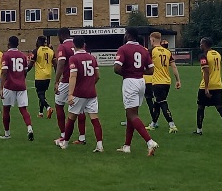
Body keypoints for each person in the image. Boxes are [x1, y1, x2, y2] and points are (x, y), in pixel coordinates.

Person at [114, 27, 159, 155]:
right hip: (141, 82)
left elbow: (116, 68)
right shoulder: (143, 50)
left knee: (132, 114)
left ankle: (150, 142)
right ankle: (127, 146)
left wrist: (128, 72)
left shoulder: (123, 49)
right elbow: (151, 70)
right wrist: (138, 71)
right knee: (131, 115)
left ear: (128, 35)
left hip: (130, 82)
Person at [55, 36, 103, 152]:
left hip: (79, 93)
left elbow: (73, 76)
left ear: (74, 46)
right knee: (95, 119)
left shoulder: (74, 58)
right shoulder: (92, 58)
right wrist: (91, 84)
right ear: (84, 45)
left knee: (71, 118)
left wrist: (70, 94)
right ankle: (100, 145)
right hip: (91, 93)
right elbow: (98, 76)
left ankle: (65, 143)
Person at [53, 28, 87, 144]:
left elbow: (61, 64)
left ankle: (63, 135)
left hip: (67, 80)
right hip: (80, 81)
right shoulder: (77, 44)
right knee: (81, 109)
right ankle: (82, 137)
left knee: (59, 105)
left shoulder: (63, 47)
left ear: (61, 36)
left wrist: (56, 81)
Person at [194, 37, 222, 137]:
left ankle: (199, 130)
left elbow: (206, 72)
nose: (200, 45)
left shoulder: (203, 56)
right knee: (220, 107)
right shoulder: (217, 54)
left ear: (204, 45)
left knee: (200, 107)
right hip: (218, 85)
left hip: (206, 86)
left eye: (201, 44)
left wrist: (206, 87)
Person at [0, 35, 34, 140]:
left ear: (8, 44)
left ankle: (7, 133)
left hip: (9, 85)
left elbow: (4, 72)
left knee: (6, 109)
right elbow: (25, 71)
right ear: (18, 44)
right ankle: (29, 128)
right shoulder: (23, 56)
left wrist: (1, 87)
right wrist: (21, 79)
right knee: (23, 109)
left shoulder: (6, 55)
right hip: (21, 86)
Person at [149, 32, 181, 133]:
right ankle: (153, 124)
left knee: (162, 102)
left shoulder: (152, 51)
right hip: (167, 82)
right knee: (157, 103)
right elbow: (174, 67)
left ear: (153, 40)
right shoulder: (168, 52)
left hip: (157, 82)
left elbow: (146, 66)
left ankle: (172, 125)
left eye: (150, 40)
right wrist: (178, 80)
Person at [30, 35, 54, 118]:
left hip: (40, 76)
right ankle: (40, 113)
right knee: (42, 94)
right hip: (48, 76)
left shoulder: (37, 50)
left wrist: (24, 72)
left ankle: (48, 107)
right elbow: (55, 64)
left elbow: (30, 64)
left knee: (40, 94)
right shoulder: (50, 51)